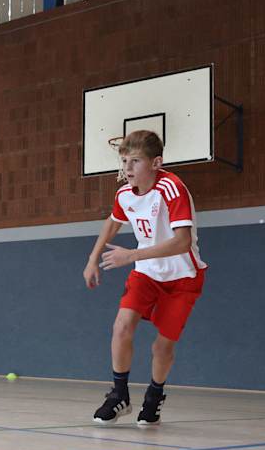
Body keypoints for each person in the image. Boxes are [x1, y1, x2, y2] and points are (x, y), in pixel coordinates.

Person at [84, 130, 207, 426]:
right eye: (124, 160)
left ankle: (154, 396)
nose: (127, 168)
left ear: (156, 163)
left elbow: (182, 242)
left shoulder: (171, 187)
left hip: (183, 277)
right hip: (147, 273)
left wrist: (131, 256)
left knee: (161, 347)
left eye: (135, 161)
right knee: (122, 325)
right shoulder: (124, 193)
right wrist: (92, 260)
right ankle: (119, 395)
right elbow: (113, 223)